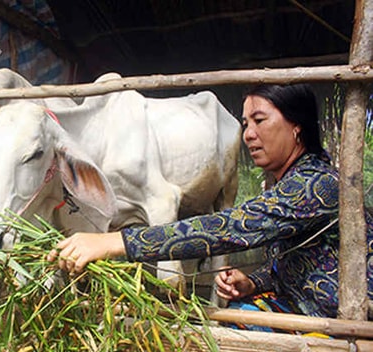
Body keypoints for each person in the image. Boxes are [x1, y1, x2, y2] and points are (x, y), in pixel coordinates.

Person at [47, 83, 373, 321]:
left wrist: (115, 242)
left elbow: (229, 226)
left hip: (344, 320)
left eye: (260, 121)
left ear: (296, 128)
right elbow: (295, 263)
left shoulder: (316, 184)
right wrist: (253, 281)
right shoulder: (286, 184)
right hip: (304, 309)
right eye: (246, 124)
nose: (248, 134)